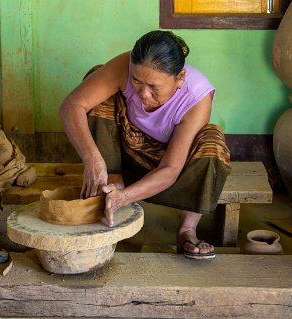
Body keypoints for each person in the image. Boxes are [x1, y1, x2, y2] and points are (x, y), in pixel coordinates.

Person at [59, 30, 231, 259]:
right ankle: (112, 181)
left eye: (154, 87)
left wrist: (126, 198)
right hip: (125, 149)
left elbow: (170, 169)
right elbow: (71, 105)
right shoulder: (125, 66)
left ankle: (187, 230)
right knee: (97, 87)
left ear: (179, 78)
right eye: (137, 82)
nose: (144, 94)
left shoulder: (197, 97)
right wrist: (92, 159)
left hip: (167, 165)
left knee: (212, 141)